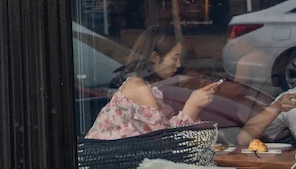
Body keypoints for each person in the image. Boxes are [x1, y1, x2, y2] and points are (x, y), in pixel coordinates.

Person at [84, 26, 222, 140]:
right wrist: (192, 105)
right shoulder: (138, 87)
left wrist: (195, 106)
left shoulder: (144, 85)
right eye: (175, 58)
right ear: (154, 57)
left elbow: (163, 131)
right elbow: (165, 140)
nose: (178, 64)